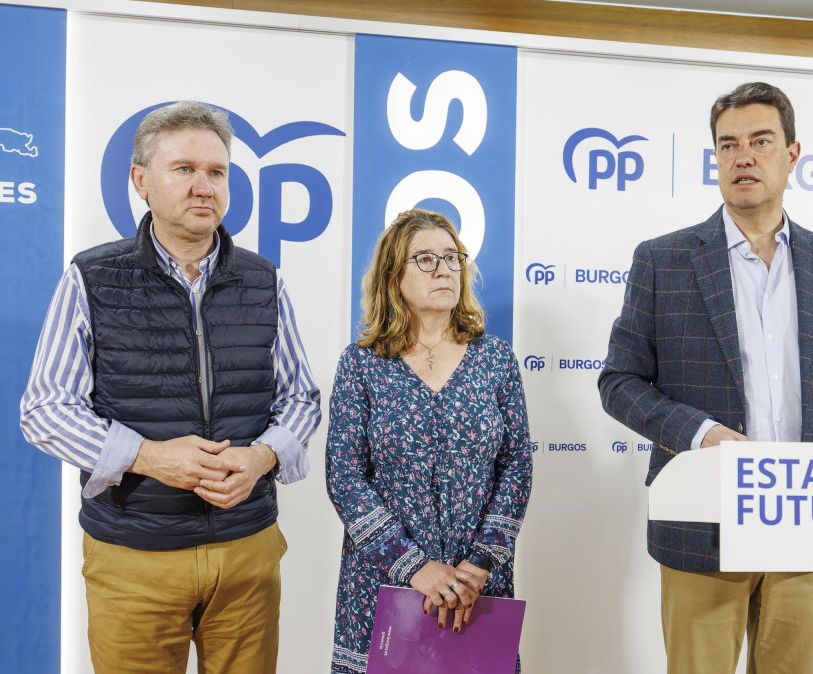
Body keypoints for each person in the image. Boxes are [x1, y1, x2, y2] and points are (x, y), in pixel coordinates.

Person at [19, 100, 322, 673]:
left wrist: (263, 456)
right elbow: (44, 409)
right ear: (141, 181)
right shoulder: (91, 277)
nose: (203, 186)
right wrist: (149, 457)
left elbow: (301, 397)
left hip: (246, 553)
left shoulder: (263, 279)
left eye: (216, 172)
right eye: (183, 169)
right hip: (134, 557)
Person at [598, 81, 813, 674]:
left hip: (806, 524)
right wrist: (704, 436)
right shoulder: (664, 260)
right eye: (728, 145)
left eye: (760, 141)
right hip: (705, 523)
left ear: (792, 154)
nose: (743, 156)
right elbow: (619, 382)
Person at [325, 209, 534, 674]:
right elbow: (344, 477)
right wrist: (414, 567)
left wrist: (480, 564)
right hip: (384, 584)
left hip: (476, 586)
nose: (444, 269)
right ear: (392, 277)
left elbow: (517, 465)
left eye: (452, 258)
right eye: (424, 259)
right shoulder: (362, 364)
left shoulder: (496, 359)